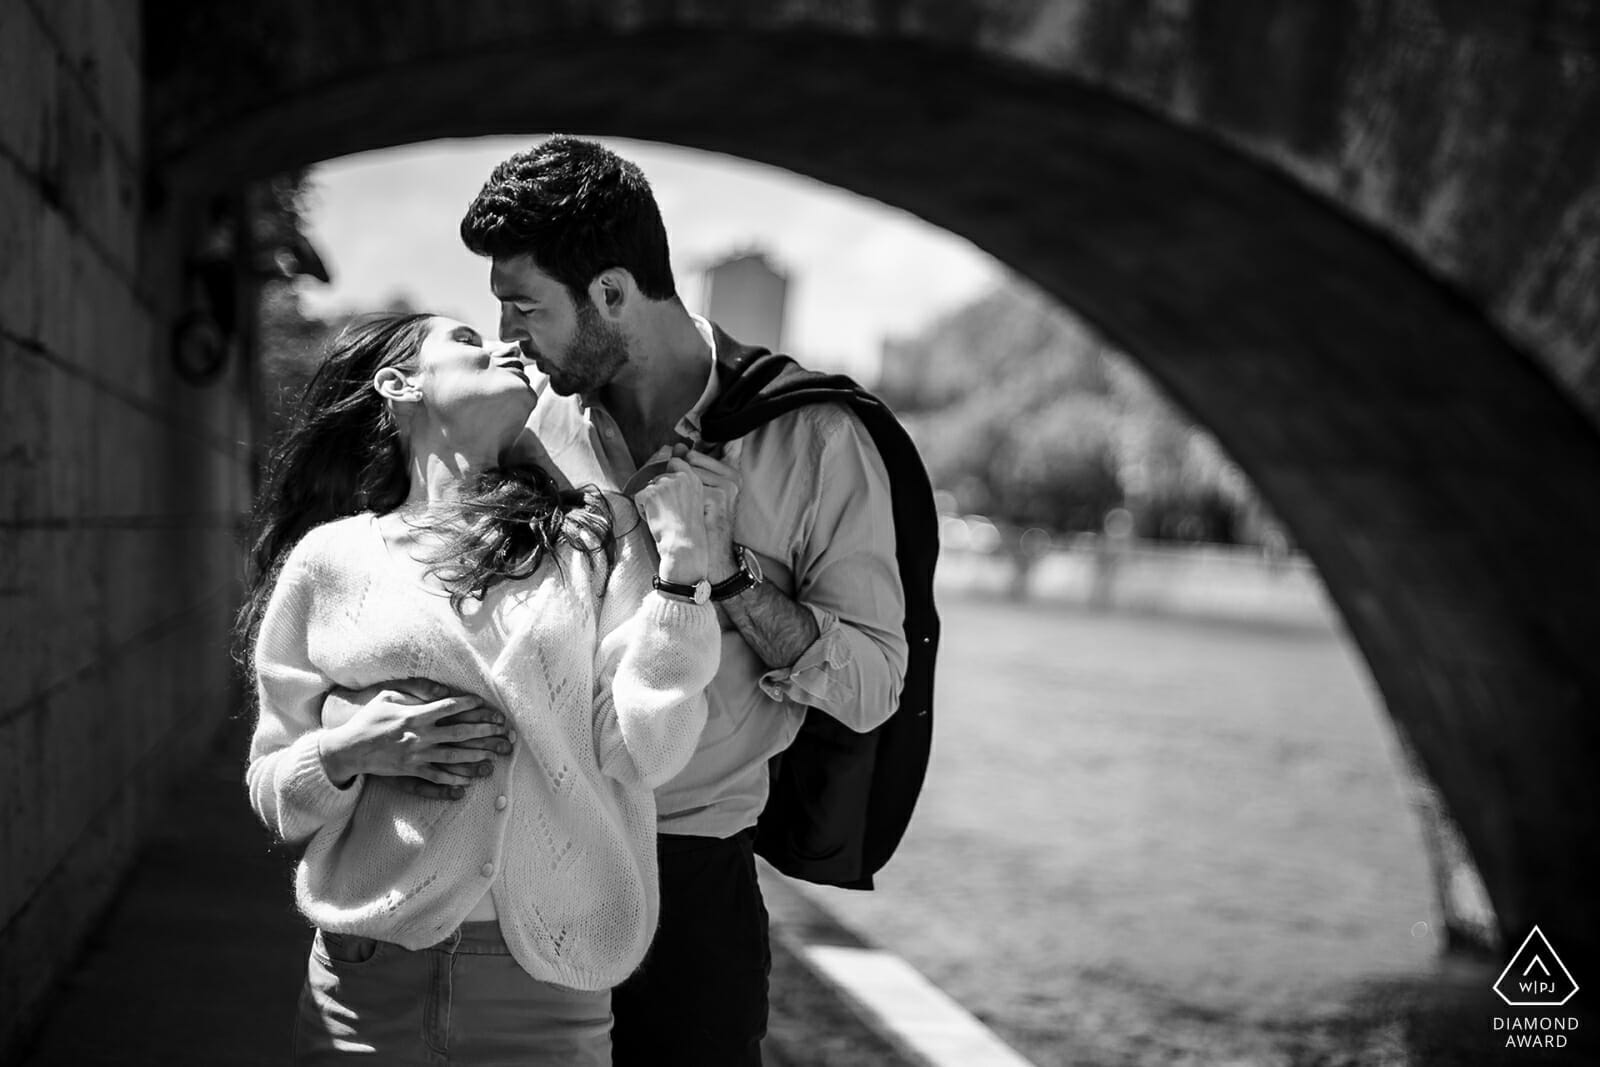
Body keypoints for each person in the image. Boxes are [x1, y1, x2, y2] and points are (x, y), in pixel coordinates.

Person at [460, 136, 910, 1065]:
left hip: (693, 885)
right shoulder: (525, 424)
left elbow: (873, 685)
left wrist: (728, 575)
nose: (507, 335)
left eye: (526, 307)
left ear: (612, 293)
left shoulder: (815, 440)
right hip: (517, 863)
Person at [238, 311, 725, 1064]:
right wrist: (346, 751)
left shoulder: (593, 540)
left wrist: (684, 575)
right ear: (399, 385)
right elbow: (274, 791)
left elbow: (647, 752)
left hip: (548, 991)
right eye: (467, 340)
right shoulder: (328, 561)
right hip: (366, 987)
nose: (507, 348)